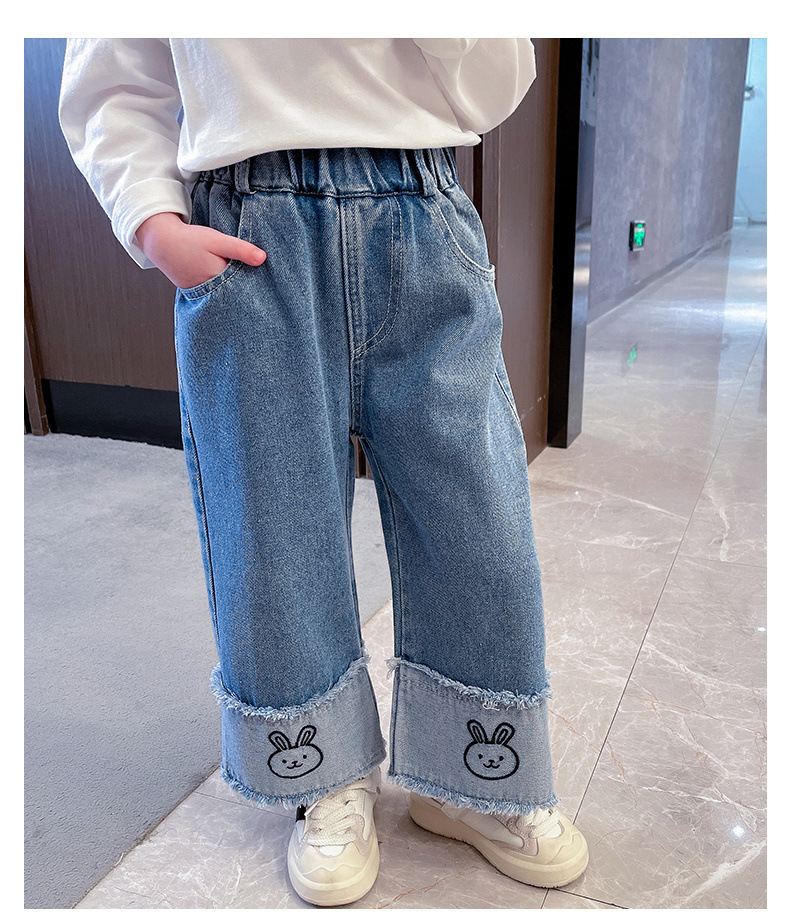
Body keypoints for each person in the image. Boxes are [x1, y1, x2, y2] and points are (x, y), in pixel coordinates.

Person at [59, 37, 589, 907]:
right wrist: (152, 220)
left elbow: (499, 83)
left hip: (422, 204)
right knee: (276, 523)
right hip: (251, 222)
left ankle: (477, 771)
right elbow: (111, 66)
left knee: (479, 512)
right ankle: (323, 774)